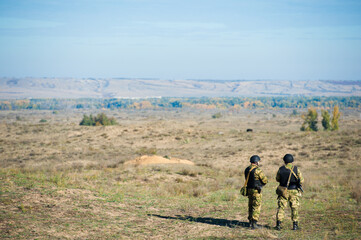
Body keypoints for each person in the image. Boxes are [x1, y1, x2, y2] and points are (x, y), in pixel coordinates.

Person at [275, 154, 304, 230]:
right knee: (294, 208)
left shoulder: (281, 169)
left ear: (284, 161)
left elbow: (277, 179)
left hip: (283, 191)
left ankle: (278, 225)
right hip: (294, 191)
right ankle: (295, 225)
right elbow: (302, 180)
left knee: (281, 207)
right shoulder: (296, 169)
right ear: (292, 160)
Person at [244, 155, 268, 229]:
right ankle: (254, 223)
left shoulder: (247, 169)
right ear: (256, 162)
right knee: (256, 206)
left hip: (249, 190)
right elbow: (265, 180)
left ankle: (250, 222)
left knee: (250, 206)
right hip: (256, 190)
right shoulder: (258, 170)